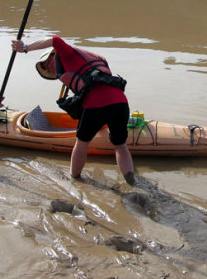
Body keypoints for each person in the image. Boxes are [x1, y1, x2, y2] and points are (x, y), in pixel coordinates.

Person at [12, 35, 135, 185]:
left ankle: (74, 180)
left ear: (53, 54)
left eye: (47, 63)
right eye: (45, 67)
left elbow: (55, 40)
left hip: (97, 105)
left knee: (82, 142)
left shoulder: (66, 53)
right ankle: (132, 183)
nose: (49, 67)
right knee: (120, 146)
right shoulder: (93, 58)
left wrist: (24, 48)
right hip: (121, 104)